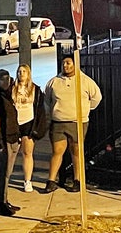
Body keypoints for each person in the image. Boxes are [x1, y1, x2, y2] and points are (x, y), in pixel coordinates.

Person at [44, 54, 102, 193]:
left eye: (69, 63)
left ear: (75, 64)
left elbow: (96, 98)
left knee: (76, 151)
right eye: (64, 63)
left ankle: (78, 180)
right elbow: (47, 99)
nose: (66, 66)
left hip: (77, 122)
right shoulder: (54, 82)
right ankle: (51, 181)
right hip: (58, 123)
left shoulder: (85, 81)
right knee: (57, 152)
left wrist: (84, 110)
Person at [0, 69, 21, 216]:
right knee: (2, 172)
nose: (6, 82)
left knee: (7, 173)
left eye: (8, 79)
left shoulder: (9, 95)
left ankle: (5, 199)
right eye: (2, 79)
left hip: (14, 137)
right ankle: (0, 202)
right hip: (4, 140)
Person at [12, 64, 46, 193]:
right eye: (19, 71)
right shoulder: (13, 88)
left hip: (28, 124)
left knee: (27, 153)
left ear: (28, 74)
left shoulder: (35, 89)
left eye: (24, 71)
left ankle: (27, 181)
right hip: (15, 125)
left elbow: (40, 110)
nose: (21, 73)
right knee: (11, 154)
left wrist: (37, 128)